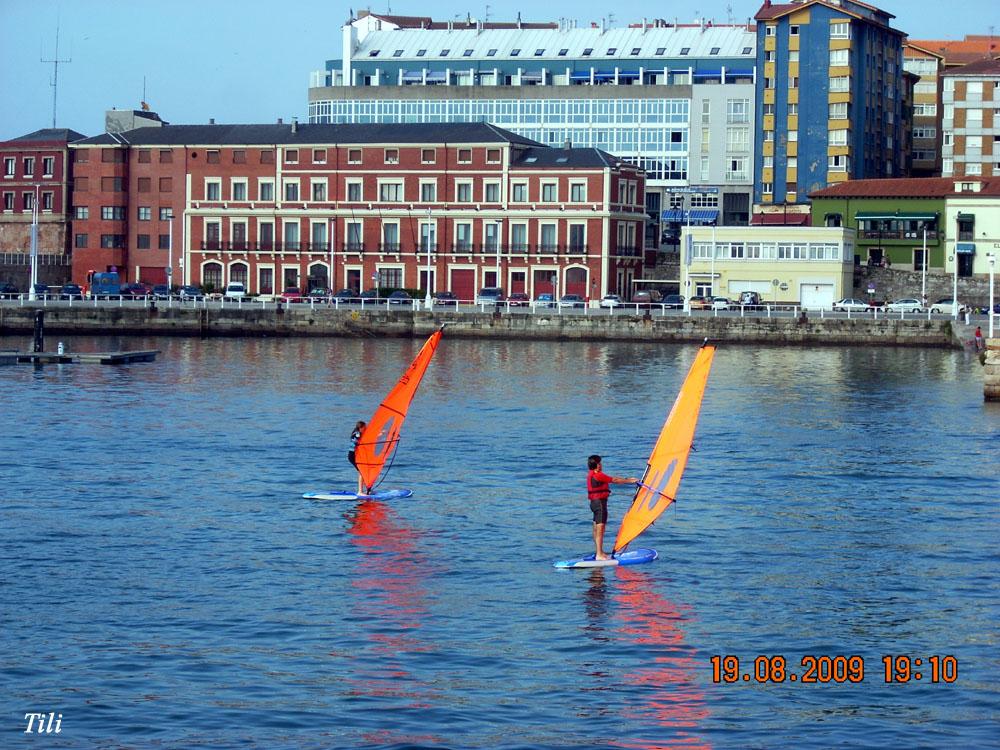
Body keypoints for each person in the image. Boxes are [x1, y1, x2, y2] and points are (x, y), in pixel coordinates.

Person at [587, 454, 639, 561]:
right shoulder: (598, 475)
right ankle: (599, 554)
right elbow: (614, 480)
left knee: (596, 529)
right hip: (600, 504)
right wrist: (630, 481)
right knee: (600, 529)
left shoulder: (590, 475)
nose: (601, 464)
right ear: (596, 465)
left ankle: (598, 552)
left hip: (593, 504)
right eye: (599, 463)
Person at [348, 421, 366, 493]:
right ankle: (360, 491)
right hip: (352, 456)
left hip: (355, 456)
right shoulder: (357, 434)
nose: (366, 428)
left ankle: (366, 490)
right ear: (360, 428)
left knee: (364, 472)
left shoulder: (357, 433)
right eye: (365, 427)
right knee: (362, 472)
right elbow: (361, 440)